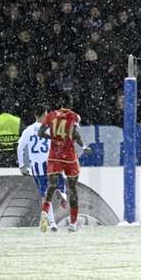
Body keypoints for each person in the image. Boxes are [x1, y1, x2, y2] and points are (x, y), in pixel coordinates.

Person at [38, 96, 92, 232]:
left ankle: (44, 211)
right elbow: (75, 133)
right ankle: (73, 223)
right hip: (68, 156)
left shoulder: (51, 115)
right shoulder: (74, 116)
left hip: (54, 155)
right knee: (72, 189)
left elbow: (40, 133)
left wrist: (53, 138)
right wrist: (84, 146)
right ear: (71, 104)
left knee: (51, 185)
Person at [18, 105, 68, 231]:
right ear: (46, 114)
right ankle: (61, 193)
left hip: (36, 167)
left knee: (44, 195)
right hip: (51, 164)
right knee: (60, 185)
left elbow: (20, 148)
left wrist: (22, 165)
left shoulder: (28, 130)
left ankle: (52, 223)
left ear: (35, 115)